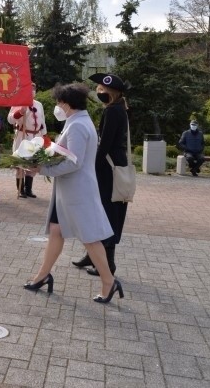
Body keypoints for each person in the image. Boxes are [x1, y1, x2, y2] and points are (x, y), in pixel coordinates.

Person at [23, 83, 123, 303]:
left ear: (66, 104)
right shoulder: (78, 121)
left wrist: (43, 168)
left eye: (59, 102)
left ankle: (109, 281)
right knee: (56, 231)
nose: (57, 107)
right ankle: (42, 275)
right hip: (70, 191)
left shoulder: (77, 125)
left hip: (77, 191)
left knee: (90, 238)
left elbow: (73, 162)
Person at [72, 73, 131, 277]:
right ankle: (93, 255)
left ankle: (108, 262)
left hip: (109, 167)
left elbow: (104, 144)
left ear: (112, 92)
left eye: (102, 90)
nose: (99, 93)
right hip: (113, 164)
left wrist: (90, 165)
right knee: (101, 210)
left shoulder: (113, 111)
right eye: (98, 89)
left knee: (107, 212)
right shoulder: (118, 109)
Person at [7, 82, 47, 198]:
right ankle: (21, 190)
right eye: (30, 89)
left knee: (32, 163)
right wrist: (20, 112)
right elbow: (10, 119)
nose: (33, 91)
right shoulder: (18, 102)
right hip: (23, 136)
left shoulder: (38, 104)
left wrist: (44, 136)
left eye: (34, 89)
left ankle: (28, 189)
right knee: (21, 163)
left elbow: (42, 121)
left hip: (36, 137)